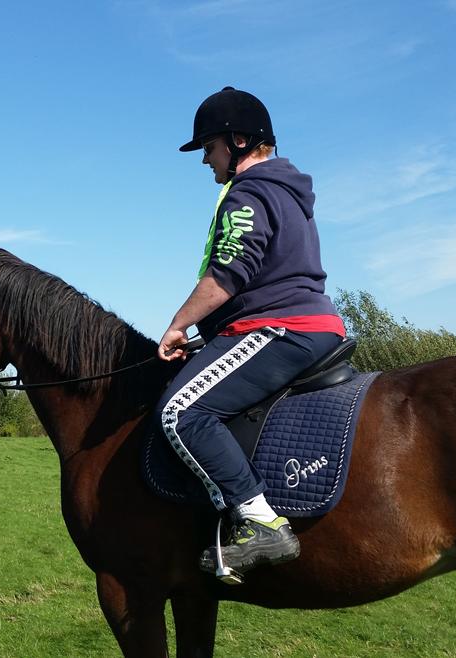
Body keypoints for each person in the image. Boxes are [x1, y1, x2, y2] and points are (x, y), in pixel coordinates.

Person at [157, 86, 345, 576]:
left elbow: (228, 273)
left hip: (284, 327)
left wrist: (178, 326)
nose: (205, 161)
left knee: (180, 412)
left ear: (238, 141)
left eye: (209, 147)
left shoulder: (248, 193)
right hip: (301, 321)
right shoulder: (287, 192)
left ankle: (260, 522)